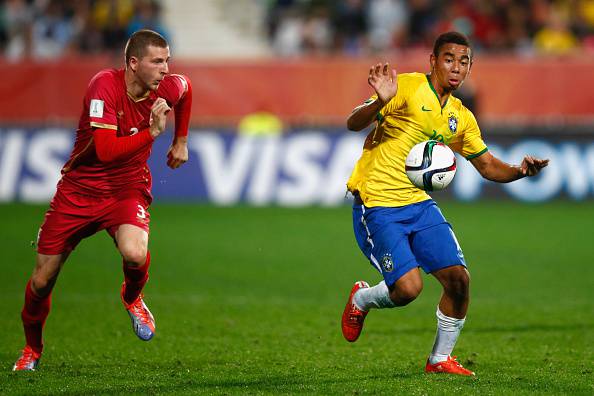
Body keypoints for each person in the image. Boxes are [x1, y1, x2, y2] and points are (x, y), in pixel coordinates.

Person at [341, 31, 548, 376]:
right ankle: (362, 298)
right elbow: (352, 123)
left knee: (459, 280)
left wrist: (520, 172)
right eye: (449, 59)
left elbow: (486, 166)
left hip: (418, 204)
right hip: (376, 202)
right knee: (408, 290)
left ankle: (439, 359)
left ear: (469, 68)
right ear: (433, 61)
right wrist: (379, 101)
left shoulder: (460, 116)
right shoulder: (404, 88)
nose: (456, 67)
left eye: (464, 61)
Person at [13, 29, 193, 371]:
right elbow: (107, 151)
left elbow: (186, 89)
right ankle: (31, 350)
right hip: (78, 191)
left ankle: (132, 297)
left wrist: (181, 140)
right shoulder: (104, 87)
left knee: (135, 252)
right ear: (133, 63)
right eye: (158, 61)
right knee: (41, 280)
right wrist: (152, 134)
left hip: (126, 188)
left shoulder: (165, 86)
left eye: (167, 60)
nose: (166, 69)